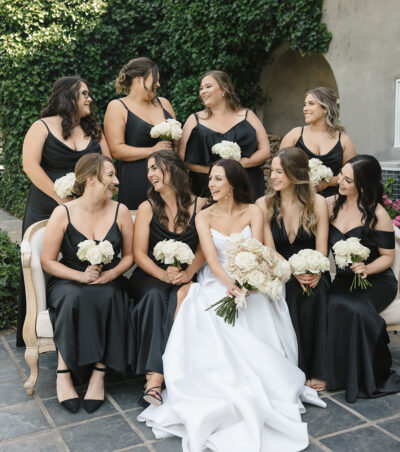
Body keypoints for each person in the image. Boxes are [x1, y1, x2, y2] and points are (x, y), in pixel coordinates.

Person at [138, 159, 326, 451]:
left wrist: (279, 272)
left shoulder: (253, 210)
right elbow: (211, 260)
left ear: (232, 185)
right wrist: (230, 284)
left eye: (217, 179)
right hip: (218, 279)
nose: (211, 184)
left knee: (262, 305)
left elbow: (264, 250)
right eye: (210, 179)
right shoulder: (204, 216)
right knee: (205, 307)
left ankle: (266, 379)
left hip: (254, 281)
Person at [19, 77, 110, 347]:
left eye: (89, 93)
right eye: (84, 93)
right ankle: (38, 329)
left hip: (88, 211)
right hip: (46, 205)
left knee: (84, 262)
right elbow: (30, 166)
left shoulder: (94, 130)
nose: (89, 98)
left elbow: (107, 165)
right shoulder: (42, 127)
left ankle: (84, 327)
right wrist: (62, 199)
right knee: (40, 264)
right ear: (67, 96)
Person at [41, 154, 134, 413]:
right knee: (74, 298)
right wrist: (80, 277)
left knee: (112, 296)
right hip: (69, 278)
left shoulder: (121, 211)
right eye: (110, 176)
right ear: (91, 179)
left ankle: (98, 374)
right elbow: (48, 261)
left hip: (108, 278)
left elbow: (129, 257)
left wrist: (110, 275)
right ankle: (64, 372)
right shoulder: (63, 213)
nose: (115, 181)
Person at [126, 150, 205, 405]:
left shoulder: (200, 205)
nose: (149, 174)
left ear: (172, 170)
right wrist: (163, 273)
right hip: (149, 274)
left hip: (185, 274)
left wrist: (189, 272)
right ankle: (155, 378)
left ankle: (159, 377)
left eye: (154, 168)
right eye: (148, 170)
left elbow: (205, 247)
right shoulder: (146, 208)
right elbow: (139, 254)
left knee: (182, 296)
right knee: (155, 295)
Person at [327, 155, 400, 402]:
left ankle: (371, 372)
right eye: (341, 174)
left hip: (376, 279)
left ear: (363, 185)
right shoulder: (331, 205)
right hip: (345, 278)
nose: (340, 181)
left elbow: (388, 257)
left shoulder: (378, 214)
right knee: (331, 302)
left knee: (356, 308)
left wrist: (367, 269)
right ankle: (337, 371)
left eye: (348, 180)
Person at [257, 147, 330, 391]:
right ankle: (294, 369)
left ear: (296, 174)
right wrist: (292, 271)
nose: (273, 177)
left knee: (315, 292)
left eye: (280, 172)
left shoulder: (318, 202)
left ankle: (317, 368)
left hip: (312, 267)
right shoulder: (264, 204)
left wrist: (312, 269)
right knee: (288, 290)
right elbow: (268, 249)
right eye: (272, 171)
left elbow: (322, 248)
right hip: (280, 267)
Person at [179, 70, 270, 200]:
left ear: (224, 90)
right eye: (201, 88)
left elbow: (265, 150)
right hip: (207, 188)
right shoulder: (194, 120)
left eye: (208, 86)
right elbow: (182, 158)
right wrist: (214, 172)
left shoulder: (248, 116)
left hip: (246, 184)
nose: (203, 91)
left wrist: (237, 167)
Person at [104, 57, 177, 210]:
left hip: (171, 178)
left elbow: (177, 140)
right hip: (137, 179)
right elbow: (116, 150)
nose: (158, 84)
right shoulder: (118, 107)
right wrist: (152, 151)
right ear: (138, 79)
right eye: (155, 79)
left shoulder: (164, 103)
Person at [280, 87, 356, 197]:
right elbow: (280, 167)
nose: (305, 108)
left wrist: (330, 181)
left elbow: (352, 174)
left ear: (325, 108)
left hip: (333, 201)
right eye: (305, 104)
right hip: (299, 198)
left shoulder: (343, 140)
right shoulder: (295, 134)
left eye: (311, 103)